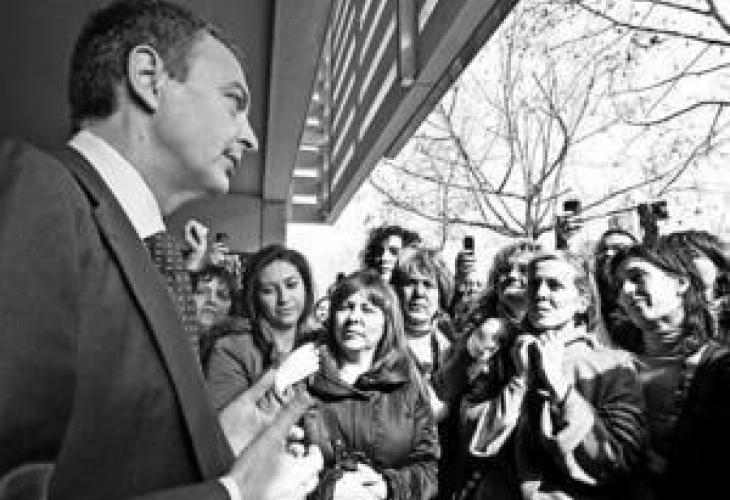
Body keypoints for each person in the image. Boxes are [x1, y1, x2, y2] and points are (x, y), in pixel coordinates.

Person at [0, 1, 321, 499]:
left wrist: (213, 442)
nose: (251, 138)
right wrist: (234, 494)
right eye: (234, 102)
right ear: (148, 78)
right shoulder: (36, 189)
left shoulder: (149, 252)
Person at [465, 251, 645, 499]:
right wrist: (518, 382)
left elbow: (617, 461)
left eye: (554, 285)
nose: (540, 294)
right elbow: (468, 433)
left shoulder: (612, 366)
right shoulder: (501, 354)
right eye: (534, 284)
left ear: (582, 301)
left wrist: (561, 390)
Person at [304, 270, 440, 499]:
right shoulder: (307, 376)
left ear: (388, 321)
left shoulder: (407, 381)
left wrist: (388, 487)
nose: (354, 317)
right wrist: (328, 488)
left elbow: (428, 469)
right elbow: (280, 465)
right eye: (346, 307)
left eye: (367, 310)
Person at [612, 240, 730, 499]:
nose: (626, 292)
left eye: (637, 277)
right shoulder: (606, 365)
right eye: (619, 285)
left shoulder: (719, 366)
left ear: (681, 283)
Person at [206, 245, 321, 454]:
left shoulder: (319, 343)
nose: (284, 298)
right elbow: (226, 436)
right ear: (254, 297)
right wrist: (280, 378)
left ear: (306, 287)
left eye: (291, 285)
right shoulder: (231, 349)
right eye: (268, 290)